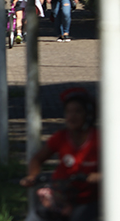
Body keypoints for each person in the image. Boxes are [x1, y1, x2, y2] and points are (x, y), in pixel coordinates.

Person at [20, 88, 99, 221]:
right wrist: (32, 176)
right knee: (37, 215)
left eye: (78, 111)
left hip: (88, 199)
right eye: (68, 112)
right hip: (61, 194)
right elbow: (37, 159)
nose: (72, 116)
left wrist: (99, 176)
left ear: (89, 114)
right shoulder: (61, 137)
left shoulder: (99, 139)